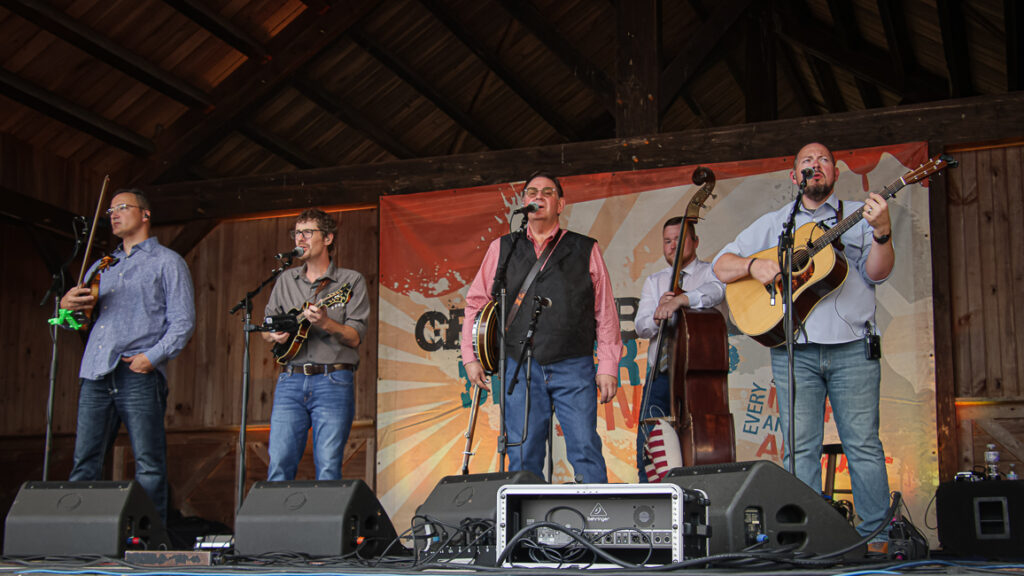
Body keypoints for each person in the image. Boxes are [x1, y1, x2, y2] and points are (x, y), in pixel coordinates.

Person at [712, 142, 894, 540]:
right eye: (806, 162)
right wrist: (754, 265)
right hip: (796, 351)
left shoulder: (859, 217)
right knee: (800, 450)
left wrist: (882, 233)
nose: (816, 165)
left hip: (853, 349)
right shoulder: (776, 223)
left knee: (862, 445)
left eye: (823, 159)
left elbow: (878, 274)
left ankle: (876, 539)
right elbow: (721, 266)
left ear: (834, 172)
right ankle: (811, 539)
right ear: (795, 177)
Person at [461, 173, 622, 483]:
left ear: (560, 204)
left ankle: (598, 527)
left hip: (573, 364)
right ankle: (525, 530)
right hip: (519, 365)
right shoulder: (503, 248)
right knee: (522, 453)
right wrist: (470, 356)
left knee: (585, 449)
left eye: (548, 192)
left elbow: (605, 311)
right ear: (524, 203)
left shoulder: (585, 247)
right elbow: (476, 303)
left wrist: (608, 365)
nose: (539, 196)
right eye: (532, 192)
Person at [60, 189, 195, 523]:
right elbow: (81, 321)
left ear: (145, 214)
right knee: (85, 461)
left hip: (138, 370)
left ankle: (150, 544)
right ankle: (76, 541)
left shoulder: (167, 261)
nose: (114, 214)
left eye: (122, 207)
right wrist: (66, 309)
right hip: (95, 371)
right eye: (110, 210)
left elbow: (183, 322)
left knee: (148, 464)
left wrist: (152, 358)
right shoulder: (101, 265)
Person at [262, 208, 368, 481]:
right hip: (290, 380)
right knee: (279, 466)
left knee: (329, 468)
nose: (300, 239)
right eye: (297, 233)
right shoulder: (286, 280)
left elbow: (355, 336)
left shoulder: (350, 281)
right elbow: (266, 328)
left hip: (333, 379)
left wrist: (326, 323)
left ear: (328, 238)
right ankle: (280, 525)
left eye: (308, 233)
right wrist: (275, 336)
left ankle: (326, 525)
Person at [634, 217, 724, 481]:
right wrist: (657, 313)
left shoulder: (711, 272)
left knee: (699, 441)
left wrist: (683, 300)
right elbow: (641, 327)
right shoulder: (654, 281)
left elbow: (717, 291)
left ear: (695, 242)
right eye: (667, 240)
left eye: (680, 239)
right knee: (648, 444)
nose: (673, 245)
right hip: (660, 376)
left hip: (700, 378)